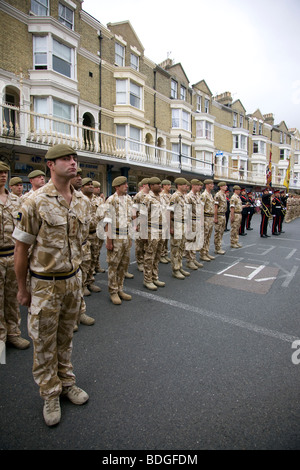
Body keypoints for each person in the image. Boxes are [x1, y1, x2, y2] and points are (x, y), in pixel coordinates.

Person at [13, 144, 90, 427]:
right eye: (65, 159)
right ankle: (50, 392)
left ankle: (67, 381)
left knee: (65, 337)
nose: (72, 163)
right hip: (45, 285)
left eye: (74, 159)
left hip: (72, 282)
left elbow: (80, 242)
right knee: (44, 342)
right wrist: (22, 289)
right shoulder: (33, 202)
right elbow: (21, 249)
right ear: (50, 165)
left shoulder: (82, 201)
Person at [0, 162, 30, 350]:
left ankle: (13, 333)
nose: (3, 175)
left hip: (12, 254)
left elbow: (23, 228)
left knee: (12, 297)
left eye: (4, 172)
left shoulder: (16, 201)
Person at [69, 169, 95, 328]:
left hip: (82, 247)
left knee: (80, 280)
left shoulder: (82, 200)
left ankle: (80, 311)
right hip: (58, 254)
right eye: (76, 175)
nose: (80, 177)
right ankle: (68, 317)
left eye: (80, 175)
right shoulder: (39, 199)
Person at [104, 176, 133, 305]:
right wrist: (109, 240)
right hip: (115, 236)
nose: (126, 186)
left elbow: (131, 219)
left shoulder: (128, 199)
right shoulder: (111, 200)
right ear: (117, 187)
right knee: (113, 265)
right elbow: (108, 221)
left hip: (126, 236)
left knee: (123, 264)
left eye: (126, 183)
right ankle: (113, 291)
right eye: (124, 184)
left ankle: (120, 288)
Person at [141, 177, 165, 290]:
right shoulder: (147, 199)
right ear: (151, 186)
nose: (160, 185)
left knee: (157, 255)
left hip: (161, 230)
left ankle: (155, 277)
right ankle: (147, 279)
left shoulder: (161, 198)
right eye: (157, 184)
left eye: (160, 184)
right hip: (151, 230)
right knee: (149, 256)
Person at [80, 178, 102, 295]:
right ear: (82, 187)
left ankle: (90, 281)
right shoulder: (78, 199)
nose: (90, 186)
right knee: (84, 262)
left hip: (96, 233)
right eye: (87, 185)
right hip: (84, 236)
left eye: (91, 184)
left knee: (94, 258)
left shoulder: (97, 200)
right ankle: (82, 285)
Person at [168, 177, 190, 280]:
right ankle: (175, 270)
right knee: (175, 248)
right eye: (185, 185)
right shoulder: (175, 197)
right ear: (179, 185)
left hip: (183, 224)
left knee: (181, 247)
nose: (187, 186)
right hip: (176, 224)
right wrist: (171, 227)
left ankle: (179, 266)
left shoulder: (184, 196)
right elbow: (169, 212)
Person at [185, 179, 204, 269]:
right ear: (193, 185)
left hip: (197, 221)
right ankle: (189, 261)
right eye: (197, 185)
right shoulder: (189, 196)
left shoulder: (197, 196)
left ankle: (193, 258)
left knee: (195, 241)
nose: (199, 187)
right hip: (191, 221)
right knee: (190, 241)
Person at [132, 178, 149, 272]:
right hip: (139, 222)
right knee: (139, 244)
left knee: (147, 243)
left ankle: (145, 260)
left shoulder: (150, 195)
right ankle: (140, 262)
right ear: (145, 185)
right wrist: (135, 224)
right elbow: (134, 211)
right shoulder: (138, 196)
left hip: (148, 223)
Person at [199, 179, 215, 261]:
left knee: (208, 237)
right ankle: (202, 254)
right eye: (211, 184)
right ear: (207, 185)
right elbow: (201, 208)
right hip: (205, 217)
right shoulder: (204, 195)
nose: (213, 185)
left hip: (210, 218)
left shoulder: (210, 195)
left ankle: (206, 252)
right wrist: (201, 221)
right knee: (204, 237)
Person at [159, 179, 172, 264]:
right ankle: (161, 255)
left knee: (166, 238)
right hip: (163, 219)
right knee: (162, 239)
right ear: (164, 186)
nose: (170, 186)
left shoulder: (170, 196)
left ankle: (165, 253)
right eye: (168, 185)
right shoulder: (161, 196)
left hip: (169, 219)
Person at [214, 181, 228, 255]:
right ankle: (217, 248)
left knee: (221, 232)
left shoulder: (224, 195)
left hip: (223, 215)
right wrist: (215, 217)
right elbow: (215, 207)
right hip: (219, 215)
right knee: (218, 232)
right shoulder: (218, 195)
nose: (226, 187)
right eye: (224, 186)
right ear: (221, 187)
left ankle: (219, 247)